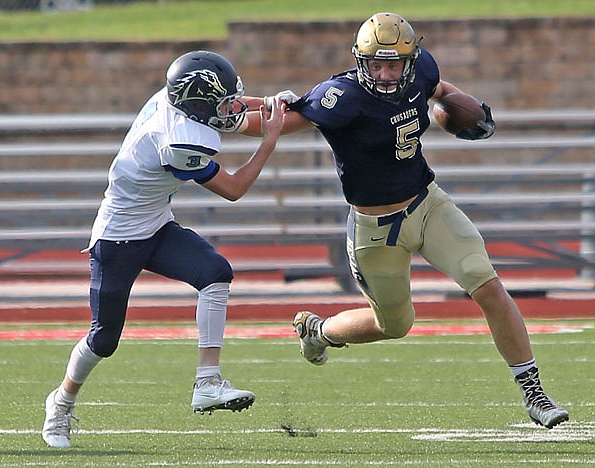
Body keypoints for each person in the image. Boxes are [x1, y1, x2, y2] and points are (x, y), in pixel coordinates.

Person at [242, 12, 569, 429]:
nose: (383, 73)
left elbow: (440, 89)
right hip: (375, 230)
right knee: (394, 324)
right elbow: (279, 122)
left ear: (410, 61)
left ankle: (534, 393)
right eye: (375, 64)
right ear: (361, 61)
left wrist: (455, 106)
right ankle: (320, 331)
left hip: (427, 204)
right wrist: (230, 120)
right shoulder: (341, 97)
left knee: (485, 282)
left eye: (393, 64)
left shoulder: (422, 71)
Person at [42, 50, 286, 448]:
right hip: (118, 238)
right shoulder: (177, 140)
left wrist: (268, 101)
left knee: (215, 273)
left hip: (155, 225)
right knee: (104, 339)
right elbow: (234, 189)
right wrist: (269, 140)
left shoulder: (175, 97)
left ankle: (207, 382)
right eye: (221, 100)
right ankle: (61, 403)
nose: (229, 106)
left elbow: (227, 110)